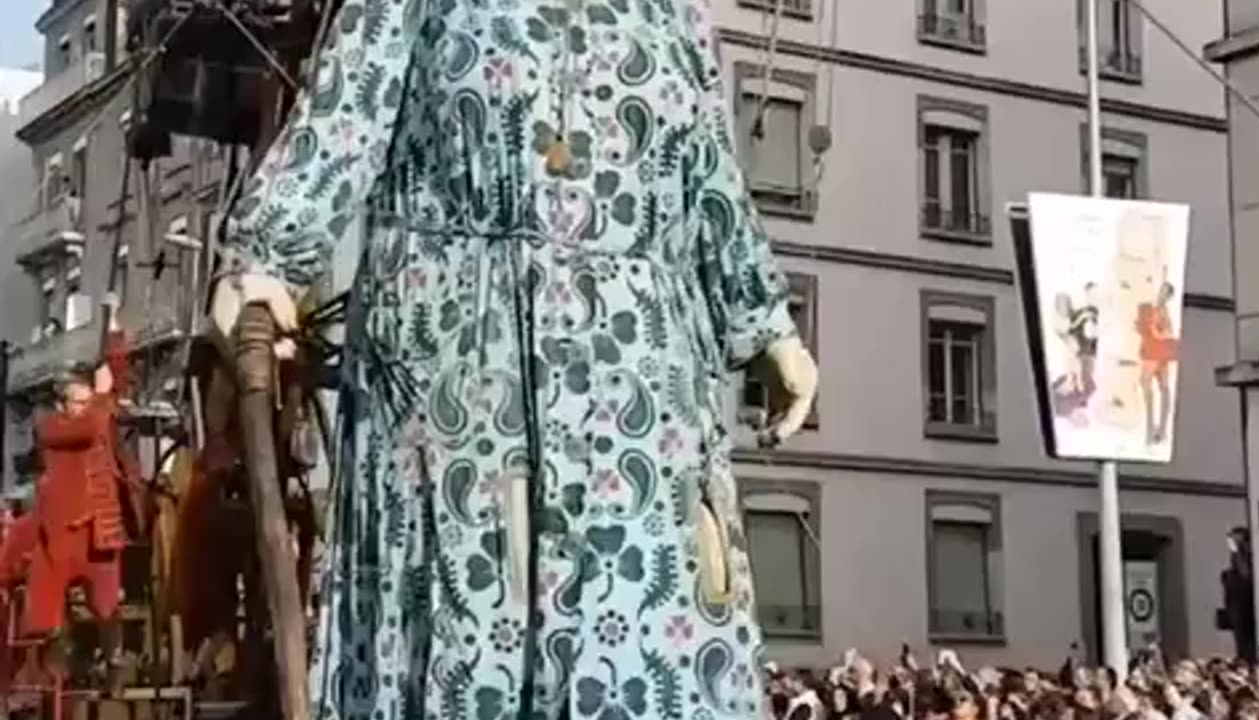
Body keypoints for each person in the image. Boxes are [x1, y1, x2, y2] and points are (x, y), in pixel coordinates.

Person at [208, 0, 819, 717]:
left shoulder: (675, 12)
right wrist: (267, 256)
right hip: (469, 375)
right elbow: (347, 108)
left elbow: (709, 174)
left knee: (640, 650)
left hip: (639, 402)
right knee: (476, 641)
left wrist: (771, 328)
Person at [22, 295, 133, 683]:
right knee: (48, 606)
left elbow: (115, 375)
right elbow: (91, 426)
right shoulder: (53, 428)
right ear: (64, 403)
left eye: (89, 400)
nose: (86, 406)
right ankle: (54, 666)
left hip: (100, 529)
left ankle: (114, 660)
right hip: (64, 532)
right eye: (80, 401)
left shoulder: (97, 413)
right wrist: (100, 399)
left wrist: (112, 321)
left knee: (108, 603)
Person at [1135, 281, 1178, 445]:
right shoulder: (1156, 310)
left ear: (1168, 296)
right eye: (1161, 290)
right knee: (1160, 388)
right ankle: (1157, 428)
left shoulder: (1163, 312)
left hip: (1155, 354)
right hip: (1155, 353)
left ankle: (1156, 427)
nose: (1161, 294)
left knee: (1155, 386)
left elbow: (1167, 333)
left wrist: (1153, 331)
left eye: (1165, 292)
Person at [1220, 527, 1256, 666]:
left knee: (1249, 649)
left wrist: (1236, 548)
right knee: (1243, 650)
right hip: (1238, 615)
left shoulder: (1252, 565)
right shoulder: (1230, 574)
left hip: (1248, 614)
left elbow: (1246, 573)